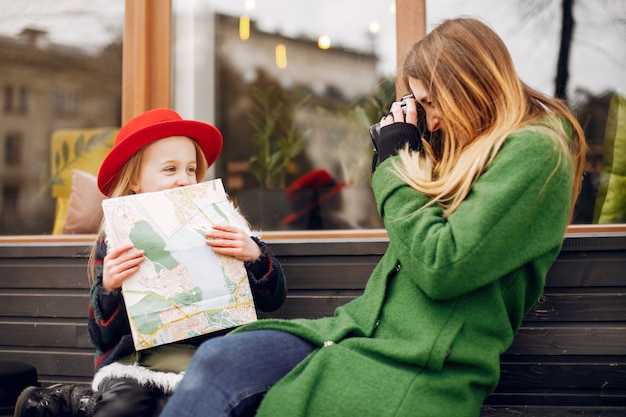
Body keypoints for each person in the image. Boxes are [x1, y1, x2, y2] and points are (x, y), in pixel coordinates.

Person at [157, 17, 587, 417]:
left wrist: (398, 161)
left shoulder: (536, 150)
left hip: (421, 363)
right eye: (421, 105)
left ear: (469, 86)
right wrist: (409, 147)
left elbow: (442, 265)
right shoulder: (463, 151)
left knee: (284, 404)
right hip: (357, 331)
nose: (431, 120)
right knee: (221, 358)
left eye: (432, 103)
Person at [14, 108, 287, 417]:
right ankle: (90, 404)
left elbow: (273, 298)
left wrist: (254, 255)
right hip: (137, 361)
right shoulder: (118, 240)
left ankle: (78, 404)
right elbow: (101, 336)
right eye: (170, 170)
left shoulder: (226, 227)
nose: (184, 180)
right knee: (122, 407)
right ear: (134, 181)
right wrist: (109, 287)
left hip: (210, 356)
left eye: (190, 170)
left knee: (184, 407)